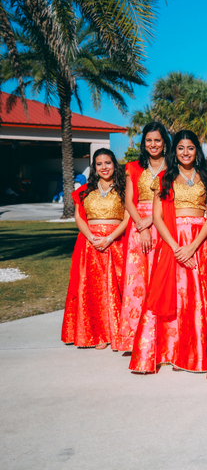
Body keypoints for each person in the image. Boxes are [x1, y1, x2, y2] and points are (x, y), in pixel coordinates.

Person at [129, 130, 207, 373]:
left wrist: (193, 246)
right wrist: (176, 246)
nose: (185, 152)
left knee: (199, 298)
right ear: (174, 151)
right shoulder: (166, 179)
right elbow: (157, 217)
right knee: (175, 297)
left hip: (200, 243)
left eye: (190, 148)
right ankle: (173, 350)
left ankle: (196, 352)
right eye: (180, 148)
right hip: (173, 243)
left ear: (196, 150)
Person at [62, 148, 129, 350]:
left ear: (114, 165)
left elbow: (127, 218)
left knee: (117, 288)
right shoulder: (84, 191)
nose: (104, 167)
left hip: (116, 243)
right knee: (93, 290)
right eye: (99, 164)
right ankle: (97, 333)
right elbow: (79, 218)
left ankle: (119, 333)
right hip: (89, 245)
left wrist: (109, 238)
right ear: (94, 167)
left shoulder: (124, 189)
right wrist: (92, 238)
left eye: (107, 163)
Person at [120, 122, 171, 352]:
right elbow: (129, 201)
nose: (153, 145)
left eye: (157, 140)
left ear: (164, 142)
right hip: (137, 230)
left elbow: (171, 198)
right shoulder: (133, 167)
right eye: (149, 140)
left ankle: (162, 337)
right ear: (144, 143)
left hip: (162, 224)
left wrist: (151, 221)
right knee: (137, 283)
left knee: (160, 281)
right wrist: (141, 227)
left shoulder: (172, 167)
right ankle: (134, 337)